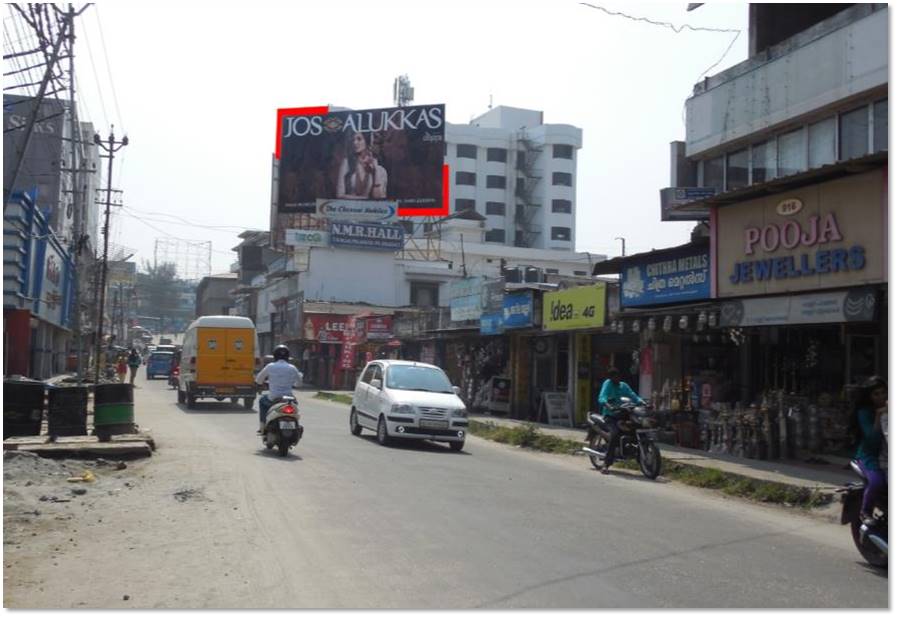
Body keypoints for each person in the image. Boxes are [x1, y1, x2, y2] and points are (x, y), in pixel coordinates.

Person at [597, 367, 646, 474]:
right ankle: (606, 464)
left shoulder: (623, 385)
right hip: (611, 416)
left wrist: (641, 402)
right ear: (610, 378)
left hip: (624, 415)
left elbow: (633, 395)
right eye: (614, 377)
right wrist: (607, 405)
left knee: (637, 429)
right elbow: (602, 397)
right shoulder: (608, 384)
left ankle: (639, 456)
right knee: (614, 435)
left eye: (617, 376)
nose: (616, 379)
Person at [853, 375, 888, 527]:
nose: (881, 396)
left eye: (883, 392)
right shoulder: (865, 412)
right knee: (877, 482)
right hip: (869, 456)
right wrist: (880, 414)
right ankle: (865, 511)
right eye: (876, 394)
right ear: (869, 396)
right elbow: (872, 438)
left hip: (887, 453)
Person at [254, 345, 304, 434]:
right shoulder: (292, 368)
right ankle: (296, 425)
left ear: (275, 356)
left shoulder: (270, 366)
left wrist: (260, 384)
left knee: (262, 400)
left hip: (273, 398)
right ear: (288, 356)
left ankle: (262, 426)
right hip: (289, 398)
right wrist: (294, 384)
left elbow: (258, 380)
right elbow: (299, 384)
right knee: (295, 407)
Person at [335, 131, 388, 199]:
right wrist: (365, 199)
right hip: (349, 208)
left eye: (359, 139)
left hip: (371, 209)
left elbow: (379, 198)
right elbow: (339, 194)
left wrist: (375, 172)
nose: (355, 142)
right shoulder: (347, 163)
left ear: (368, 141)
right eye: (353, 140)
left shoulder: (380, 170)